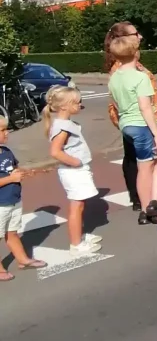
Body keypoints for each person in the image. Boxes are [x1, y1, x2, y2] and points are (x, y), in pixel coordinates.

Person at [109, 35, 157, 225]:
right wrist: (156, 131)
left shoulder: (114, 77)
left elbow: (116, 104)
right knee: (145, 168)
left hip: (126, 124)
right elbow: (145, 107)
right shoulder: (140, 77)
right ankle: (147, 209)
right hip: (140, 125)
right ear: (135, 52)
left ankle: (153, 203)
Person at [45, 85, 103, 255]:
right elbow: (55, 152)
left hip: (76, 170)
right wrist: (75, 162)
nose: (80, 105)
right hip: (73, 171)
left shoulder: (65, 123)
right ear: (64, 106)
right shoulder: (62, 127)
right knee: (76, 207)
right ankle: (76, 244)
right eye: (77, 102)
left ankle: (79, 235)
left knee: (80, 205)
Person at [0, 116, 46, 279]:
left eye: (6, 129)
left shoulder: (6, 151)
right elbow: (9, 177)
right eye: (2, 130)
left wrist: (22, 172)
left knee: (12, 232)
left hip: (13, 200)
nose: (7, 133)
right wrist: (11, 179)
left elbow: (15, 167)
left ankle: (23, 260)